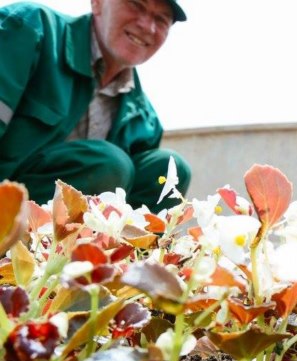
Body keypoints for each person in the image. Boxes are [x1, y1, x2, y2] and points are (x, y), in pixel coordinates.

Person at [0, 0, 190, 210]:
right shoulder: (29, 29)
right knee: (111, 163)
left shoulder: (145, 122)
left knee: (171, 169)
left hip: (66, 227)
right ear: (97, 3)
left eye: (161, 19)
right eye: (136, 5)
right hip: (6, 210)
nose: (148, 27)